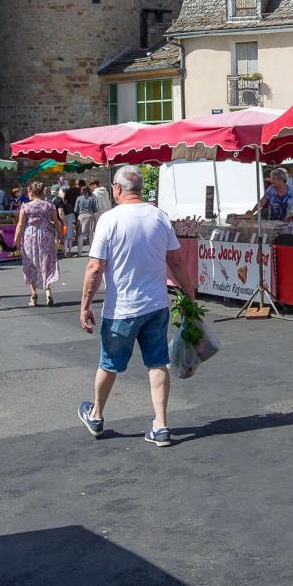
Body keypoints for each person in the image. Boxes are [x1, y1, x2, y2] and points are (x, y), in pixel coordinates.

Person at [78, 165, 194, 447]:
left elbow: (95, 268)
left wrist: (85, 305)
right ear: (139, 189)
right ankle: (162, 425)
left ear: (117, 189)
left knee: (109, 364)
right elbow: (176, 262)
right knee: (157, 363)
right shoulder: (159, 217)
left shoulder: (110, 220)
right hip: (155, 304)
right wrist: (190, 295)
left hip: (122, 308)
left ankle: (96, 415)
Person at [13, 181, 61, 307]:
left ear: (31, 192)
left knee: (31, 263)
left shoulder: (25, 206)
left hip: (30, 236)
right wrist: (60, 235)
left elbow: (20, 224)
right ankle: (47, 291)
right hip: (46, 235)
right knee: (46, 262)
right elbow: (56, 222)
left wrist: (16, 239)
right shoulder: (50, 205)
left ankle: (33, 294)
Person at [75, 185, 98, 255]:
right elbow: (95, 210)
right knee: (91, 235)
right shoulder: (92, 198)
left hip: (81, 217)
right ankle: (92, 252)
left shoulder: (79, 198)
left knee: (80, 235)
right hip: (90, 216)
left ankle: (79, 252)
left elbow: (75, 210)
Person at [61, 190, 77, 257]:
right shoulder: (71, 211)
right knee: (70, 239)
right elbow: (74, 221)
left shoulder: (62, 210)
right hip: (70, 227)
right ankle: (69, 251)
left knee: (65, 239)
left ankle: (65, 252)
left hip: (64, 226)